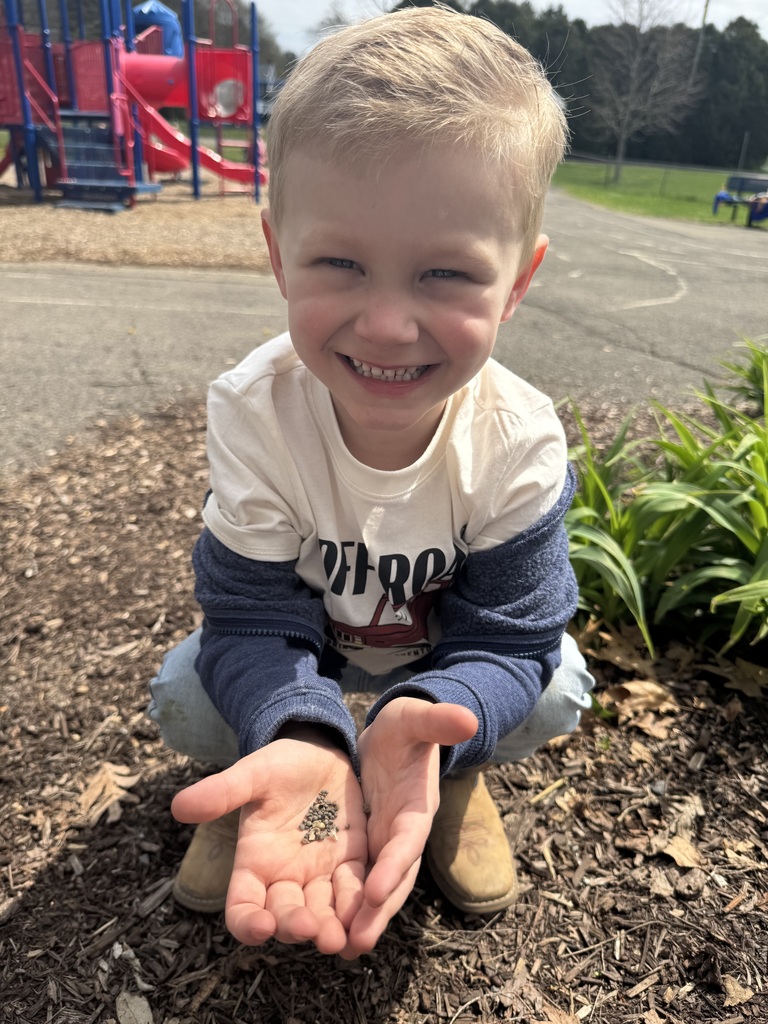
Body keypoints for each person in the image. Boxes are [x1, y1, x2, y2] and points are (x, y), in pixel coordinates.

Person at [148, 4, 594, 960]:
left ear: (517, 282)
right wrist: (298, 733)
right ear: (278, 254)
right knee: (186, 691)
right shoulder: (255, 411)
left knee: (557, 684)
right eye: (341, 262)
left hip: (440, 665)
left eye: (446, 275)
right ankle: (273, 772)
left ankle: (441, 772)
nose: (388, 325)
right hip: (308, 654)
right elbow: (251, 618)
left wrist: (428, 727)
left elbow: (508, 637)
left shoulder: (517, 440)